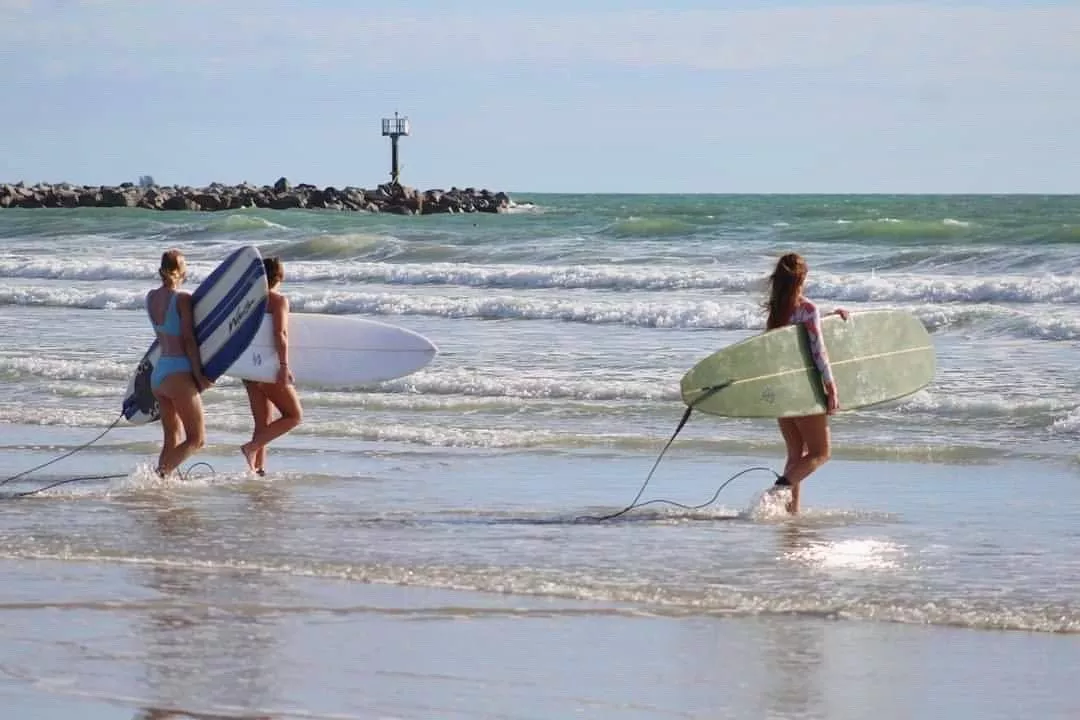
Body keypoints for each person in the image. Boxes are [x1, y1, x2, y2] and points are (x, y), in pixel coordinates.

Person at [764, 252, 848, 514]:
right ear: (802, 278)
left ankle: (792, 515)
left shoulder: (776, 312)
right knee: (820, 453)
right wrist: (831, 388)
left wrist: (829, 318)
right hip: (804, 391)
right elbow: (817, 351)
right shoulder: (807, 309)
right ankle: (778, 490)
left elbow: (793, 339)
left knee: (795, 456)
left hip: (782, 391)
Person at [146, 249, 211, 477]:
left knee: (172, 437)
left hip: (159, 373)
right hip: (178, 373)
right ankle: (157, 477)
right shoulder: (183, 299)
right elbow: (188, 340)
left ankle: (162, 487)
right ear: (182, 270)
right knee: (197, 439)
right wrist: (199, 375)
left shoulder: (151, 297)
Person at [241, 257, 303, 475]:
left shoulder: (247, 301)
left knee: (263, 424)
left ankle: (257, 472)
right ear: (280, 277)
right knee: (294, 416)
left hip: (248, 367)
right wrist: (284, 365)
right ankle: (251, 448)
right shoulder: (277, 301)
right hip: (267, 367)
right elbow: (280, 333)